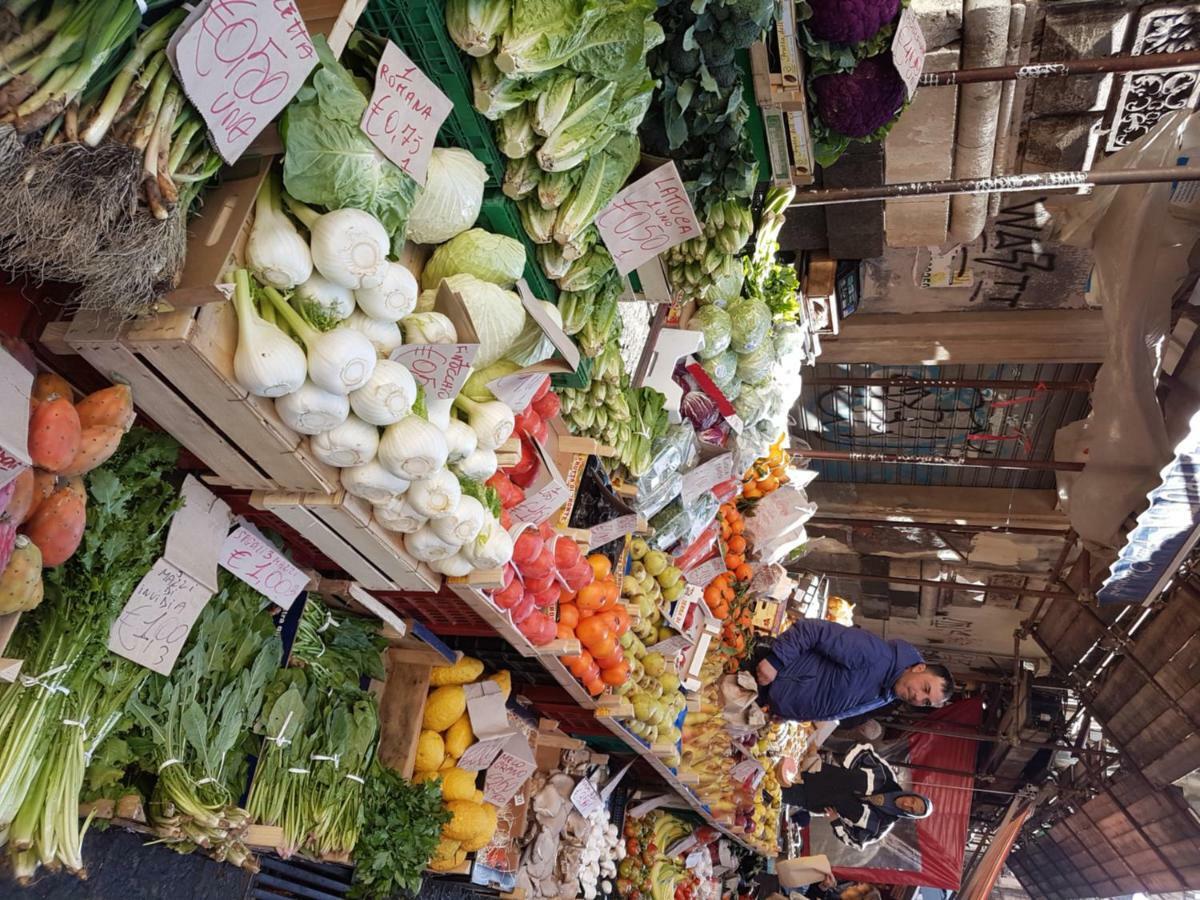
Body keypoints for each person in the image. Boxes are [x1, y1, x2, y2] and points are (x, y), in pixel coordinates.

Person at [752, 619, 954, 722]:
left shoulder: (888, 692)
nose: (918, 697)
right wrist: (776, 661)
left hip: (766, 696)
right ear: (919, 668)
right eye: (925, 688)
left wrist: (787, 713)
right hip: (758, 673)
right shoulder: (876, 655)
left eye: (926, 702)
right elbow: (814, 630)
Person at [807, 878, 883, 900]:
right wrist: (824, 887)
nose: (850, 886)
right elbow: (810, 894)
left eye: (855, 888)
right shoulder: (837, 897)